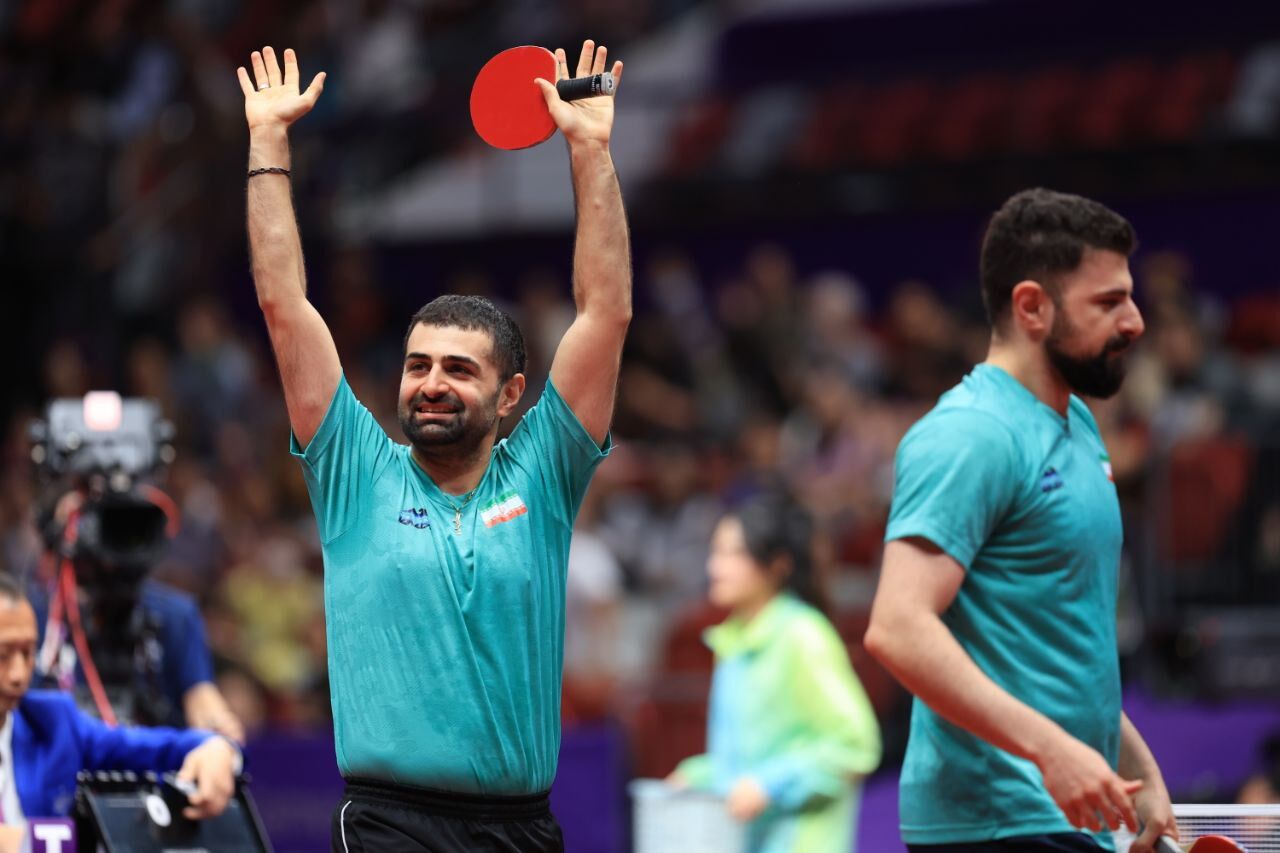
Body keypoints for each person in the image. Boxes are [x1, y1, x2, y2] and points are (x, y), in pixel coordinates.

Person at [236, 41, 629, 852]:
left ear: (510, 393)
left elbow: (604, 315)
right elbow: (284, 304)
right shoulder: (355, 469)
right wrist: (269, 143)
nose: (431, 383)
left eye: (458, 368)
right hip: (390, 824)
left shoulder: (545, 469)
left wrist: (588, 150)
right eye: (418, 365)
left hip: (521, 828)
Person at [864, 188, 1179, 852]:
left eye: (1129, 295)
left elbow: (1052, 642)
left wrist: (1139, 768)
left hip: (1065, 816)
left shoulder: (1079, 424)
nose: (1136, 321)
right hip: (995, 823)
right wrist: (1050, 751)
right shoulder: (971, 434)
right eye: (1109, 302)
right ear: (1032, 306)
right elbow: (898, 627)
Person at [669, 490, 882, 852]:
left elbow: (855, 745)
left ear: (777, 565)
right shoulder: (732, 640)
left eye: (734, 553)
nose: (715, 567)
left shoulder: (803, 635)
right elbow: (747, 762)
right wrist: (696, 776)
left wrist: (771, 784)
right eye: (715, 551)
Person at [0, 571, 238, 847]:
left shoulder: (53, 721)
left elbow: (157, 748)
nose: (18, 674)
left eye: (29, 653)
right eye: (3, 656)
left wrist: (218, 748)